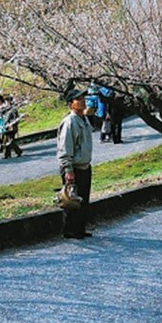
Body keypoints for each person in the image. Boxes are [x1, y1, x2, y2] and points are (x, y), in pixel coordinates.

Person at [56, 88, 94, 239]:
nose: (82, 101)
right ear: (71, 104)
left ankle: (80, 228)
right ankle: (69, 230)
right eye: (78, 99)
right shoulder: (69, 122)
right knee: (71, 200)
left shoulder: (84, 119)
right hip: (74, 167)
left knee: (83, 199)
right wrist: (68, 169)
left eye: (83, 98)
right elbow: (65, 147)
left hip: (85, 165)